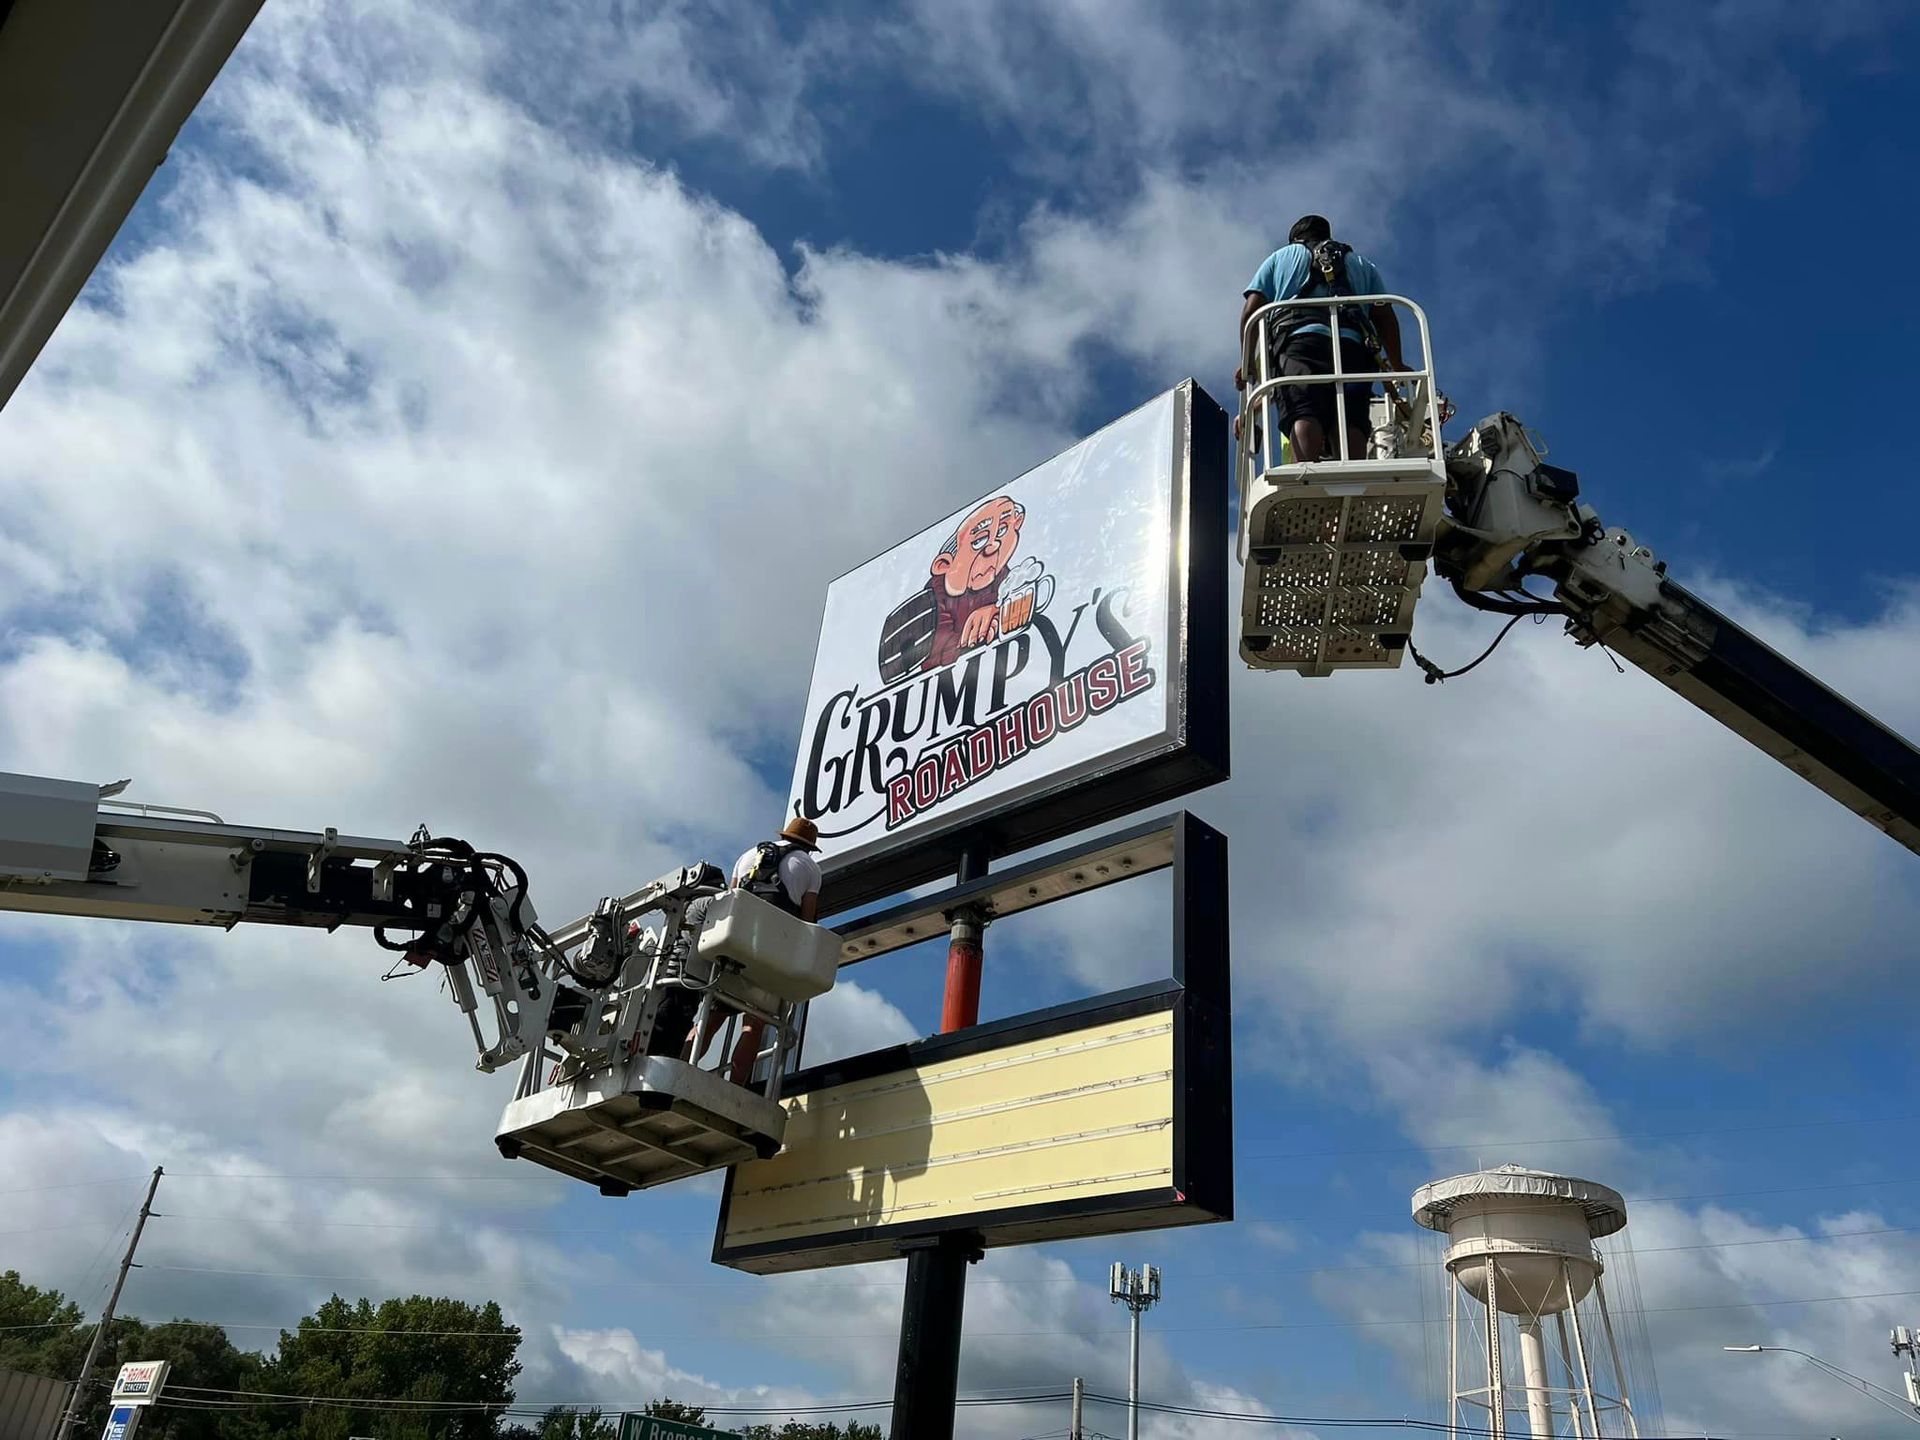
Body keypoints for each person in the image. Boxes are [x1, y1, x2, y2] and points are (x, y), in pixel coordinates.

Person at [655, 814, 825, 1085]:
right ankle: (736, 1086)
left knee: (711, 1017)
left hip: (734, 947)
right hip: (770, 953)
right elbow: (807, 921)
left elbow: (730, 901)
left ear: (784, 836)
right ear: (809, 846)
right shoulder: (810, 869)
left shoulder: (748, 855)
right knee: (754, 1023)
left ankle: (677, 1071)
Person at [1235, 215, 1407, 464]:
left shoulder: (1282, 257)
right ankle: (1353, 480)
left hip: (1300, 342)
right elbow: (1384, 315)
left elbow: (1252, 310)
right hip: (1353, 348)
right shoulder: (1360, 263)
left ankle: (1305, 474)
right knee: (1351, 417)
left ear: (1295, 239)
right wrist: (1398, 365)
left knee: (1304, 409)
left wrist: (1247, 360)